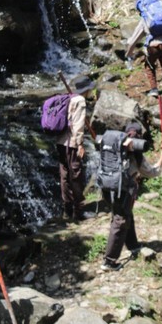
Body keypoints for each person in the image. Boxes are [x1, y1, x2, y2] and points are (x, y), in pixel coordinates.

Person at [101, 123, 162, 271]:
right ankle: (109, 261)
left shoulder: (113, 146)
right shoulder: (134, 153)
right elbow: (151, 172)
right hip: (122, 189)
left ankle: (133, 245)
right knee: (120, 220)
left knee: (125, 215)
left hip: (106, 186)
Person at [56, 74, 97, 222]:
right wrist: (80, 144)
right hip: (72, 144)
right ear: (86, 90)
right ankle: (79, 211)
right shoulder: (80, 100)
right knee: (76, 175)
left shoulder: (69, 97)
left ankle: (67, 210)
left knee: (64, 175)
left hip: (60, 142)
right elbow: (78, 124)